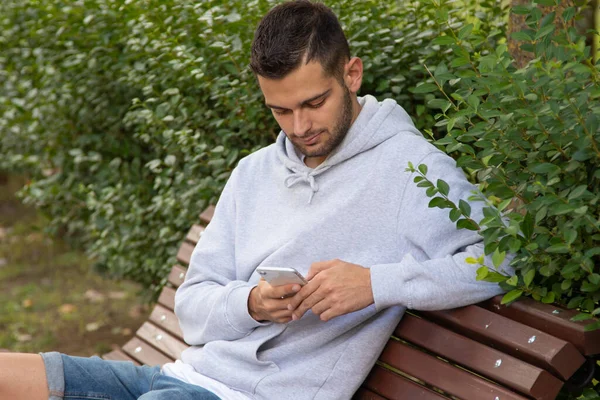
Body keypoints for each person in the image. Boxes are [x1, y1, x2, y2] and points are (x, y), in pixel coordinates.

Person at [0, 1, 511, 399]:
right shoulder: (253, 173)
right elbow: (193, 310)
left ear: (351, 75)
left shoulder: (409, 168)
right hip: (181, 375)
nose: (300, 127)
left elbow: (502, 259)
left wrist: (376, 283)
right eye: (281, 111)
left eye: (315, 103)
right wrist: (252, 303)